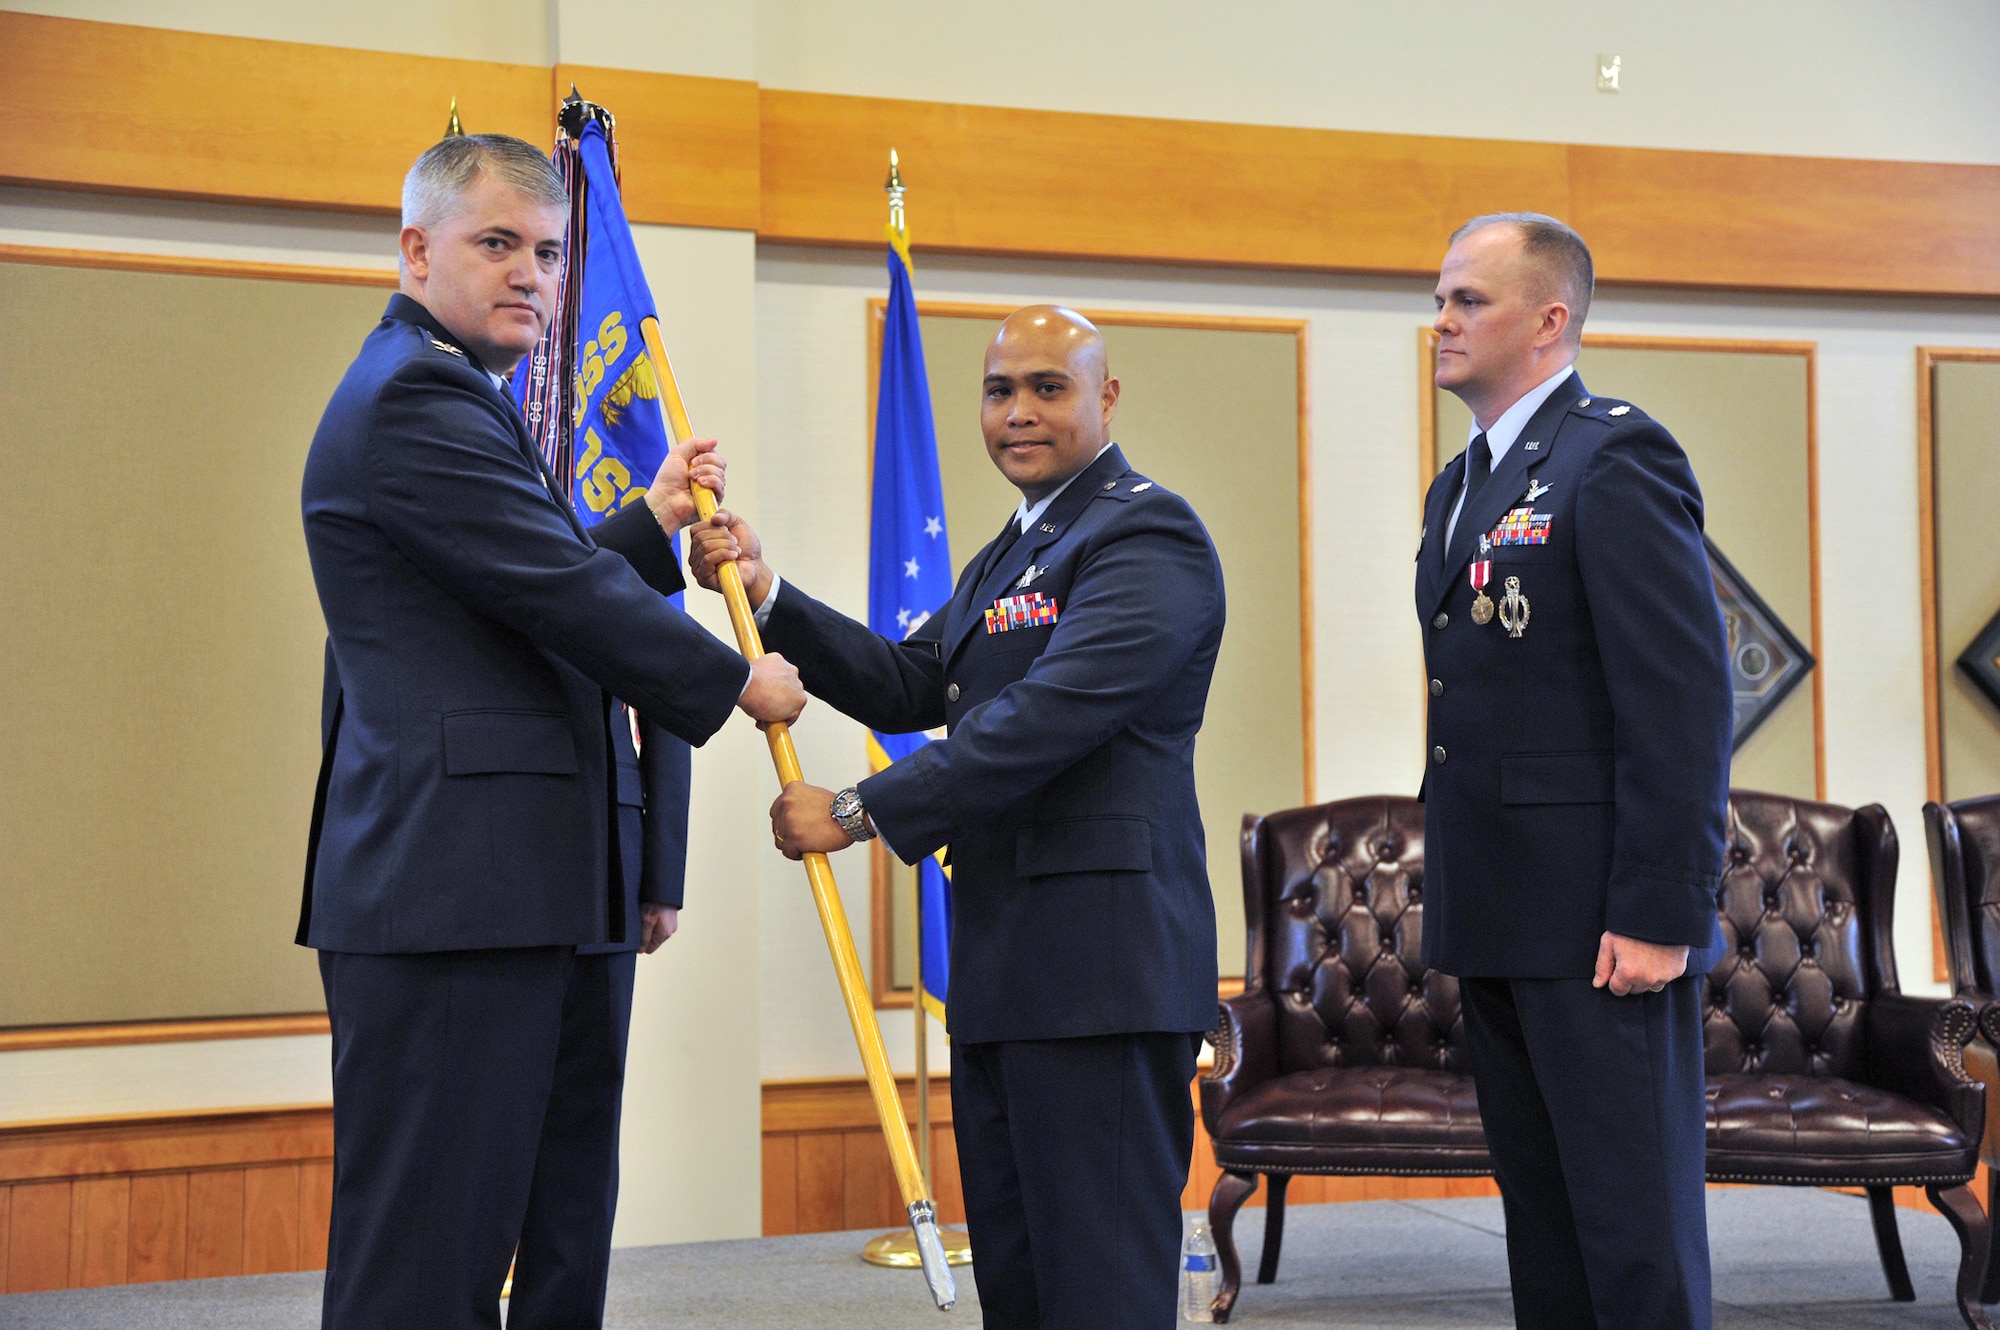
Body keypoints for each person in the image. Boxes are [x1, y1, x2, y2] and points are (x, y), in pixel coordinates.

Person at [298, 133, 804, 1330]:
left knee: (554, 1225)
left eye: (549, 252)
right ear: (416, 249)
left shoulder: (461, 395)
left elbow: (514, 578)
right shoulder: (413, 394)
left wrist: (648, 519)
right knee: (431, 1257)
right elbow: (555, 594)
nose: (531, 273)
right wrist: (739, 682)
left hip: (531, 886)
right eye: (496, 244)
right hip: (453, 897)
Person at [689, 306, 1224, 1329]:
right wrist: (771, 591)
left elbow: (1045, 718)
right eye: (997, 390)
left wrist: (856, 810)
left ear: (1104, 397)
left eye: (1046, 387)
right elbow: (909, 682)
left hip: (1101, 982)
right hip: (1006, 973)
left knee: (1098, 1292)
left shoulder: (1145, 533)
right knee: (1021, 1291)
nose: (1016, 412)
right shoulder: (1013, 551)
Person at [1417, 213, 1731, 1330]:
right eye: (1440, 297)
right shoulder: (1457, 484)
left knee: (1630, 1234)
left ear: (1549, 321)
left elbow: (1682, 701)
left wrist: (1660, 909)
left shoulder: (1613, 455)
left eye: (1467, 301)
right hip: (1500, 912)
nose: (1439, 320)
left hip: (1604, 927)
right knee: (1544, 1226)